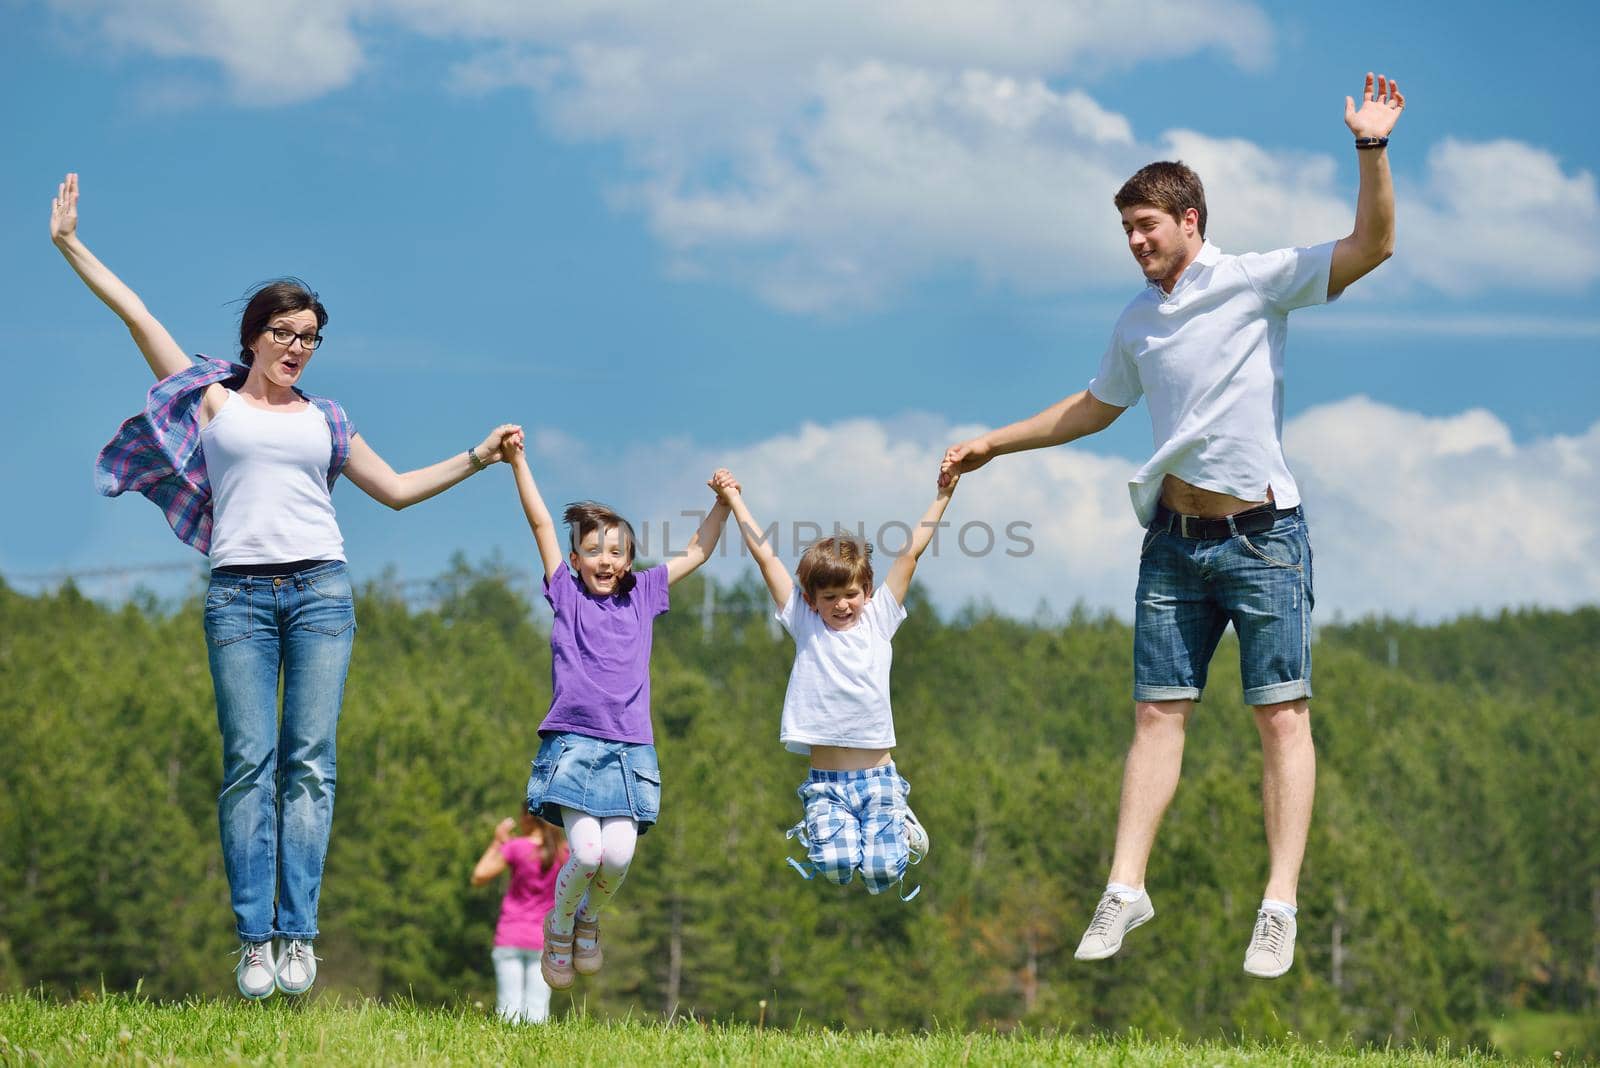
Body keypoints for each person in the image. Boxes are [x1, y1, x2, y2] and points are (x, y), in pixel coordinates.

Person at [940, 74, 1406, 978]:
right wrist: (994, 444)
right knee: (1157, 715)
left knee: (1281, 718)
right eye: (1125, 231)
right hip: (1173, 544)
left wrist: (1372, 149)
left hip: (1264, 539)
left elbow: (1373, 246)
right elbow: (1093, 407)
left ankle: (1280, 905)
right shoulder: (1135, 324)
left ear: (1190, 218)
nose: (1135, 242)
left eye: (1146, 226)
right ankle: (1126, 886)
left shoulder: (1256, 281)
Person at [51, 172, 522, 999]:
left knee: (309, 766)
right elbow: (140, 316)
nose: (296, 346)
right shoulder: (209, 399)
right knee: (247, 764)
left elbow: (400, 489)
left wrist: (480, 455)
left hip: (321, 595)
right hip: (237, 597)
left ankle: (299, 935)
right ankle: (254, 940)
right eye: (282, 332)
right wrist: (71, 244)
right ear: (254, 336)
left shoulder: (327, 418)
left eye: (309, 336)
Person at [506, 438, 730, 990]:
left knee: (620, 855)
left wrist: (723, 503)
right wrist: (518, 462)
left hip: (631, 750)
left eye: (616, 552)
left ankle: (589, 921)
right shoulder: (566, 593)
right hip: (576, 746)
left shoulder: (645, 594)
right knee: (585, 852)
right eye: (593, 551)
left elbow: (698, 552)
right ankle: (557, 926)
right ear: (576, 558)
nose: (604, 560)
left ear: (629, 560)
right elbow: (539, 524)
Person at [711, 467, 956, 899]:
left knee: (883, 876)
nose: (842, 605)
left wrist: (942, 496)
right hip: (826, 782)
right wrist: (734, 501)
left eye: (851, 594)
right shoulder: (805, 624)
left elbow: (908, 557)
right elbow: (765, 558)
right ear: (811, 600)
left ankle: (901, 816)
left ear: (867, 590)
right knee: (837, 869)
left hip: (878, 778)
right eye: (829, 598)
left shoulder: (878, 621)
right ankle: (825, 828)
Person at [471, 810, 568, 1023]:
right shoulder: (563, 853)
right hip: (545, 939)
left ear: (527, 818)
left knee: (508, 1008)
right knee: (538, 1009)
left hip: (511, 934)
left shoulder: (517, 848)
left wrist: (497, 842)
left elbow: (479, 875)